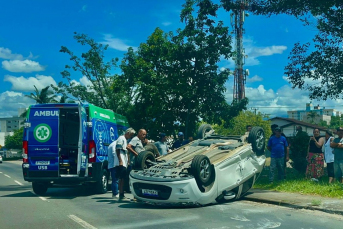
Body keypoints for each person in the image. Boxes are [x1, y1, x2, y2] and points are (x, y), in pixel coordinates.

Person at [108, 127, 136, 199]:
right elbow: (118, 149)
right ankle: (121, 194)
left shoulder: (125, 140)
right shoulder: (121, 138)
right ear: (128, 133)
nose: (131, 137)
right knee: (121, 178)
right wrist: (120, 160)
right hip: (121, 162)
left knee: (122, 178)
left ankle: (121, 193)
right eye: (131, 135)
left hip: (124, 162)